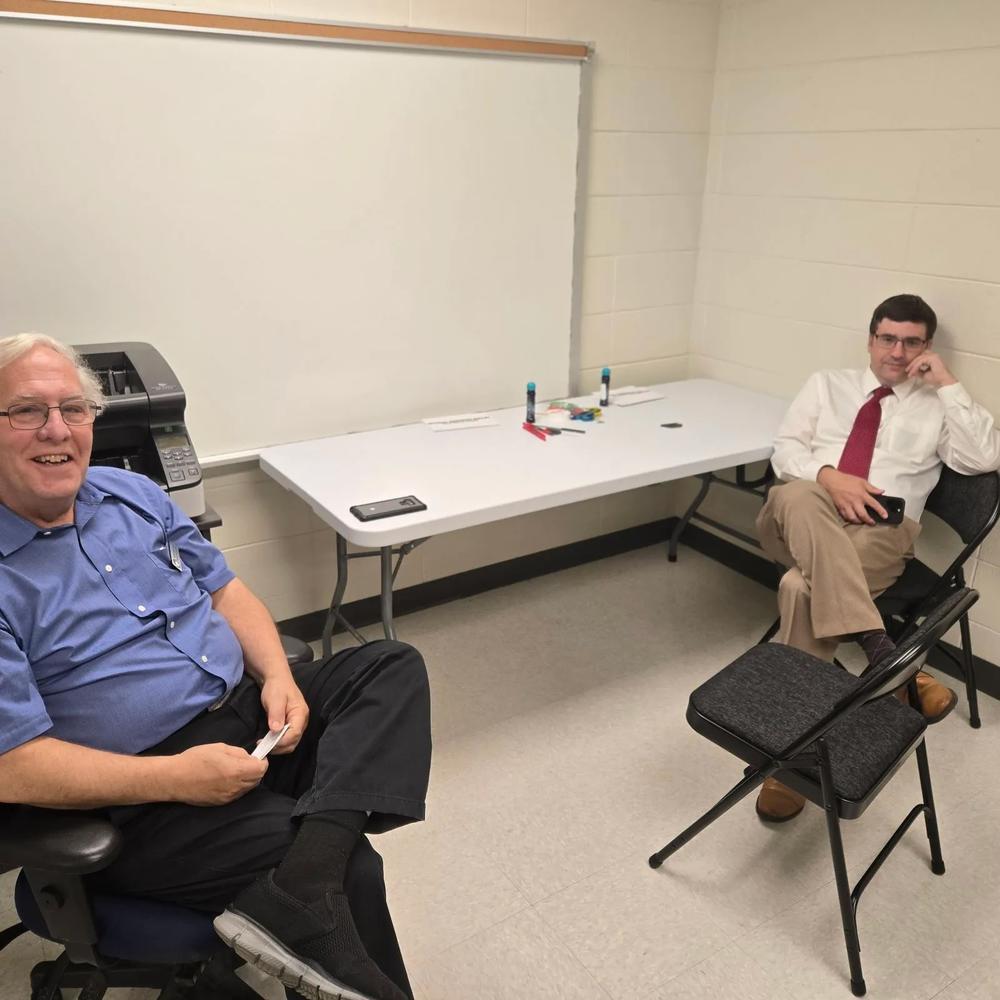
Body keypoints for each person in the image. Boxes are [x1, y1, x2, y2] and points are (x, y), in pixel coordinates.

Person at [0, 333, 431, 1000]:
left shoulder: (131, 494)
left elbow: (226, 591)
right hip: (142, 799)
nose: (56, 429)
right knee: (357, 872)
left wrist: (280, 682)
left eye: (74, 409)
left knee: (388, 666)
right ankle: (311, 886)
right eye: (26, 411)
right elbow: (13, 766)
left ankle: (298, 888)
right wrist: (176, 778)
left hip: (245, 715)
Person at [755, 294, 1000, 822]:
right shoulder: (827, 384)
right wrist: (829, 477)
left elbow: (984, 458)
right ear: (870, 340)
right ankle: (891, 661)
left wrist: (949, 384)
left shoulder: (938, 405)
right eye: (888, 338)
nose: (897, 350)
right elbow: (784, 452)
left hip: (883, 529)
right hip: (800, 514)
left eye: (911, 341)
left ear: (926, 347)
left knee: (800, 589)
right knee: (795, 492)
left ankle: (789, 762)